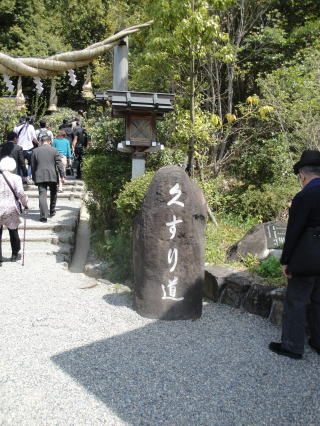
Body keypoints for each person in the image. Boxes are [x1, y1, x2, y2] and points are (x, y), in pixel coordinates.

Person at [269, 150, 320, 359]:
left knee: (297, 300)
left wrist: (286, 260)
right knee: (319, 300)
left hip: (307, 258)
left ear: (303, 175)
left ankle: (292, 346)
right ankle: (318, 342)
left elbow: (294, 231)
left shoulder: (304, 196)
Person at [0, 157, 29, 264]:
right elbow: (20, 193)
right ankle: (14, 253)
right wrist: (26, 204)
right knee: (13, 230)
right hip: (11, 208)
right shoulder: (16, 178)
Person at [31, 135, 65, 222]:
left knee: (42, 195)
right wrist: (62, 176)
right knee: (53, 193)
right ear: (50, 141)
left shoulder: (35, 151)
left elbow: (33, 166)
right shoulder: (54, 150)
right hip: (52, 175)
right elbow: (59, 164)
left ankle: (43, 216)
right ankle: (52, 210)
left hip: (40, 175)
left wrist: (34, 177)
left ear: (41, 141)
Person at [13, 116, 38, 182]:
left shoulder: (16, 127)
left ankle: (21, 178)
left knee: (20, 163)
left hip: (19, 148)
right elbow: (34, 138)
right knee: (31, 163)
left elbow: (14, 138)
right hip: (29, 148)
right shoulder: (30, 127)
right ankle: (28, 177)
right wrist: (38, 144)